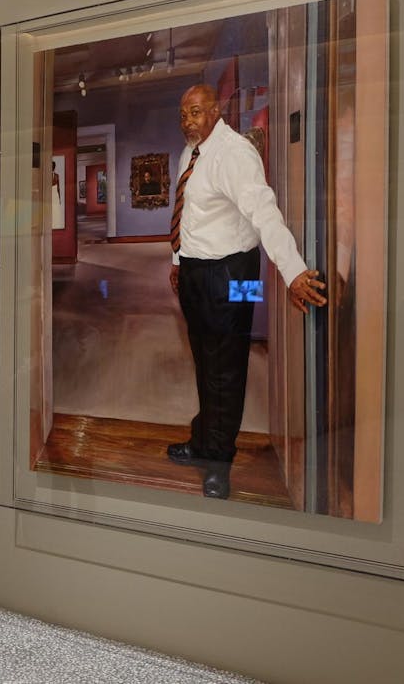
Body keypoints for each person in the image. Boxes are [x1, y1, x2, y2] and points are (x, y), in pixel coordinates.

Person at [166, 84, 327, 499]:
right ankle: (203, 441)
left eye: (196, 112)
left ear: (216, 111)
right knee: (205, 360)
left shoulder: (235, 154)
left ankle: (218, 461)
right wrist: (177, 263)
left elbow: (264, 213)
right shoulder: (191, 152)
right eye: (184, 114)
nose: (188, 121)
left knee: (229, 365)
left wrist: (293, 271)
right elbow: (189, 216)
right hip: (198, 272)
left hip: (236, 272)